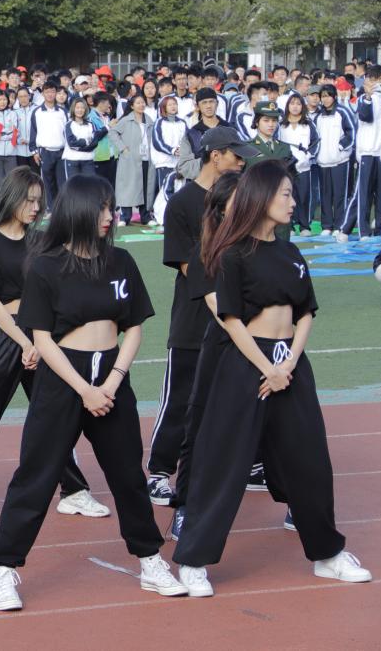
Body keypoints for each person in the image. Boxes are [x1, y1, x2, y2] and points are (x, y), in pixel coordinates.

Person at [0, 175, 188, 612]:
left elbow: (134, 328)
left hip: (111, 378)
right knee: (36, 475)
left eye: (111, 208)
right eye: (102, 208)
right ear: (78, 210)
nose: (110, 216)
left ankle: (150, 561)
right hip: (63, 380)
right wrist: (83, 389)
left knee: (128, 476)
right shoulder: (45, 265)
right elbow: (42, 339)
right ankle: (5, 568)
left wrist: (111, 382)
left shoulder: (121, 261)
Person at [172, 160, 372, 597]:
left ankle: (327, 554)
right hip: (248, 364)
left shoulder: (290, 253)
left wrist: (289, 364)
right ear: (261, 197)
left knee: (310, 461)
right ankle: (193, 559)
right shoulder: (233, 253)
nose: (292, 202)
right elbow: (231, 320)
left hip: (290, 364)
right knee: (223, 462)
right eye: (285, 194)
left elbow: (306, 313)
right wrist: (267, 369)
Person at [0, 167, 108, 529]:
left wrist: (40, 339)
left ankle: (73, 491)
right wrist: (24, 342)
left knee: (56, 415)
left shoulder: (43, 241)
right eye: (29, 201)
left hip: (44, 334)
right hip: (7, 337)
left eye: (39, 201)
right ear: (12, 198)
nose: (35, 208)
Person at [147, 127, 256, 506]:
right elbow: (187, 266)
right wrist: (220, 299)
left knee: (242, 393)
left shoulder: (243, 200)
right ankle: (160, 471)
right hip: (194, 319)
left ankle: (252, 462)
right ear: (215, 155)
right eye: (236, 155)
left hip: (239, 316)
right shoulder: (182, 204)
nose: (241, 161)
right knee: (181, 398)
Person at [169, 172, 241, 540]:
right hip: (225, 348)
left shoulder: (266, 248)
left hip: (264, 351)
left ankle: (300, 502)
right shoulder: (205, 254)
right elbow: (221, 310)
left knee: (283, 431)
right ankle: (185, 507)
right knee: (196, 428)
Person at [346, 66, 381, 238]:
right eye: (375, 80)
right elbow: (365, 116)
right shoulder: (362, 99)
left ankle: (380, 230)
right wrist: (368, 96)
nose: (379, 83)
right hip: (367, 152)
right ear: (368, 81)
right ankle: (363, 231)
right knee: (363, 194)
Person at [312, 84, 356, 237]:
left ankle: (339, 225)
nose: (325, 99)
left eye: (328, 96)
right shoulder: (318, 116)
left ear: (334, 97)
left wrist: (340, 146)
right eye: (323, 96)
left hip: (340, 161)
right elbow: (314, 137)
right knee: (325, 195)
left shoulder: (342, 112)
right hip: (322, 161)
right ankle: (326, 225)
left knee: (340, 194)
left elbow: (352, 132)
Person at [111, 94, 157, 226]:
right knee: (128, 187)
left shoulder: (149, 120)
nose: (141, 105)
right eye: (138, 103)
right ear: (132, 106)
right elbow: (113, 132)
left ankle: (145, 216)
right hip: (130, 159)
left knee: (146, 187)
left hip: (146, 158)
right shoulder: (126, 120)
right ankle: (125, 217)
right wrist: (123, 148)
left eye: (143, 102)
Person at [279, 94, 320, 236]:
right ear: (287, 106)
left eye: (298, 104)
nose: (295, 107)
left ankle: (304, 226)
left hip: (304, 167)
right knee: (286, 196)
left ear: (302, 106)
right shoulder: (281, 125)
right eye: (292, 104)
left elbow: (315, 142)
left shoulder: (308, 124)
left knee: (304, 197)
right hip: (286, 169)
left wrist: (307, 157)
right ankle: (289, 226)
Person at [29, 81, 68, 210]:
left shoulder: (63, 111)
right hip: (44, 151)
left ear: (56, 93)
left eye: (52, 91)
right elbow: (33, 131)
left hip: (61, 151)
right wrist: (34, 151)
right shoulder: (37, 112)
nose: (50, 94)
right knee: (47, 181)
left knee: (62, 181)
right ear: (43, 94)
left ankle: (62, 208)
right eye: (47, 92)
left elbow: (67, 131)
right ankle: (50, 207)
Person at [177, 87, 230, 182]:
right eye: (204, 102)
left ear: (217, 104)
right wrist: (207, 163)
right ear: (197, 106)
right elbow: (184, 166)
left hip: (226, 183)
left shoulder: (230, 130)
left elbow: (239, 159)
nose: (208, 106)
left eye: (211, 102)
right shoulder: (192, 134)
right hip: (201, 184)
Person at [151, 96, 187, 226]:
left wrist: (183, 151)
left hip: (180, 163)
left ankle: (178, 219)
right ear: (164, 108)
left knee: (180, 190)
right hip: (164, 162)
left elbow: (187, 140)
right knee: (165, 191)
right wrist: (172, 150)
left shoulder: (182, 123)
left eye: (175, 104)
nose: (173, 106)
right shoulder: (159, 123)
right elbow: (157, 142)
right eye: (170, 104)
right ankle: (163, 219)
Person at [61, 97, 103, 182]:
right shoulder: (69, 125)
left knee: (90, 186)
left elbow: (94, 142)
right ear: (73, 109)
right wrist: (87, 141)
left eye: (82, 108)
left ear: (85, 109)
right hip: (72, 160)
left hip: (88, 160)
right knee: (73, 187)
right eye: (77, 107)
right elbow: (72, 143)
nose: (80, 110)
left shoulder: (90, 124)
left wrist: (82, 144)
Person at [244, 101, 294, 168]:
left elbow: (292, 173)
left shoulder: (285, 147)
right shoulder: (247, 148)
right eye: (266, 120)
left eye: (274, 120)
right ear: (256, 122)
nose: (271, 124)